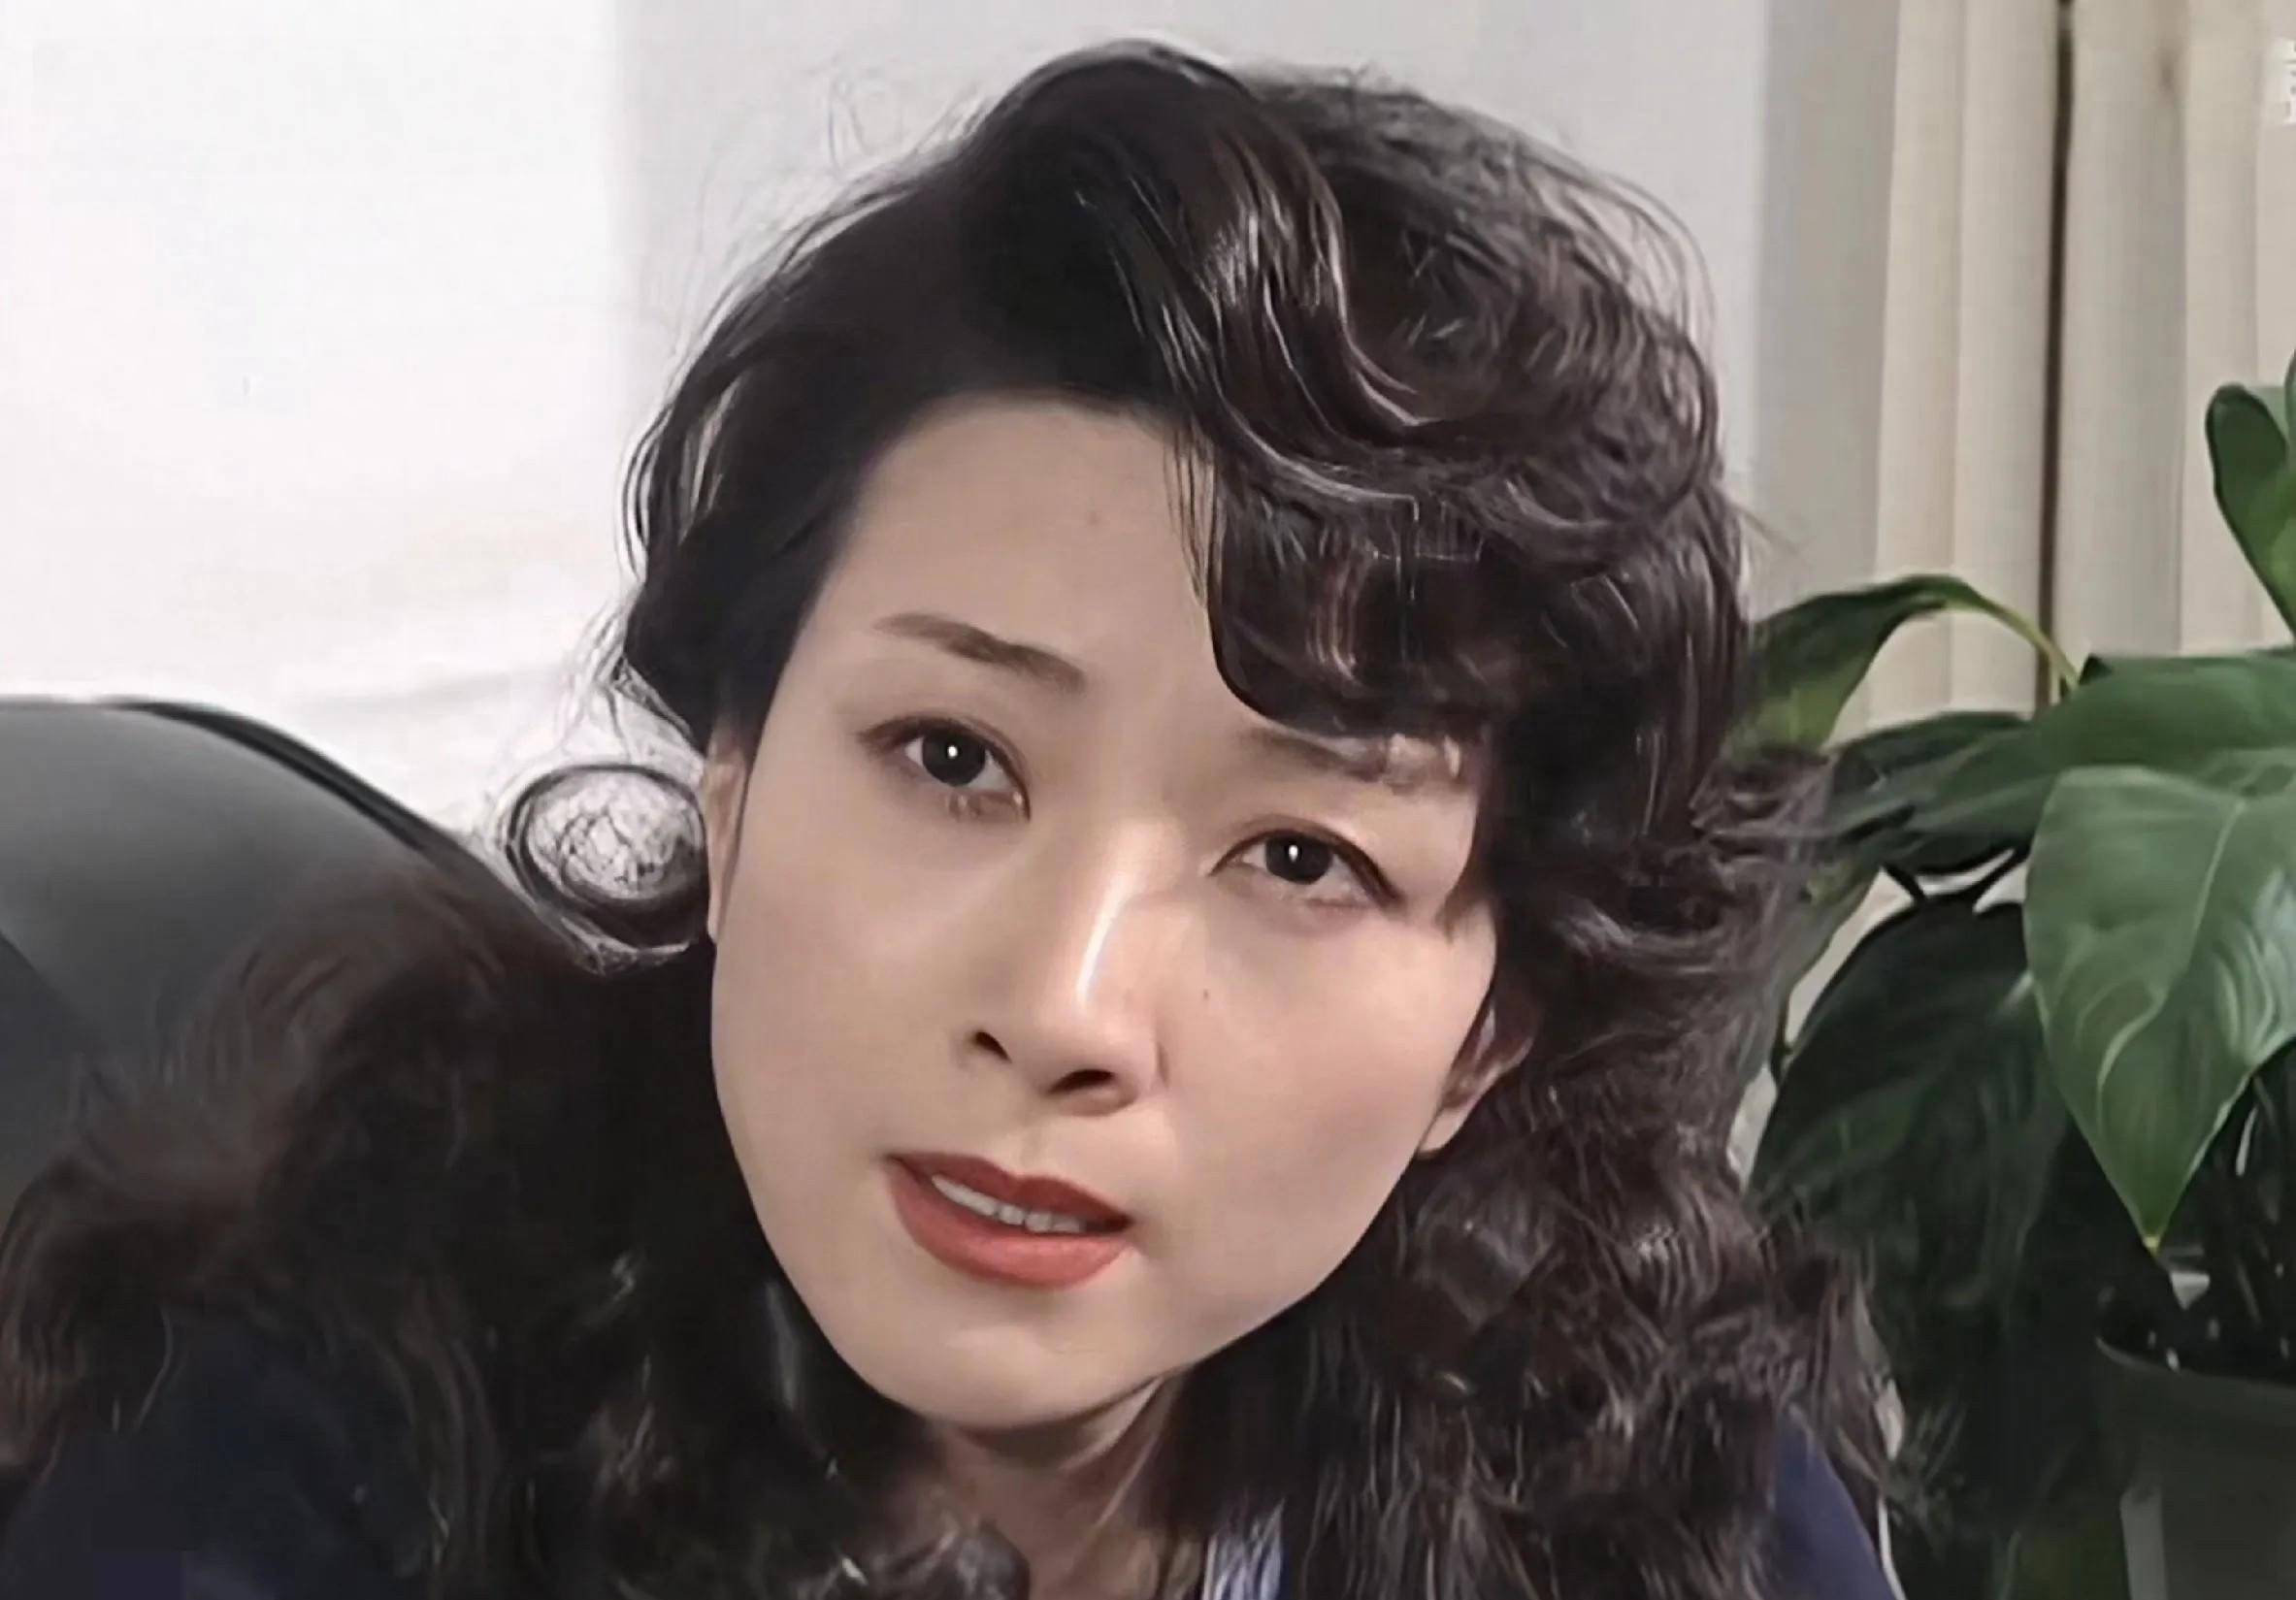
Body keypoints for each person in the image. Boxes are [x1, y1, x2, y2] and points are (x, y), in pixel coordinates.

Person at [0, 41, 1894, 1600]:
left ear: (1487, 1032)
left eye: (1299, 857)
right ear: (732, 778)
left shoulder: (1652, 1465)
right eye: (953, 758)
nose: (1063, 1008)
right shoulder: (318, 1443)